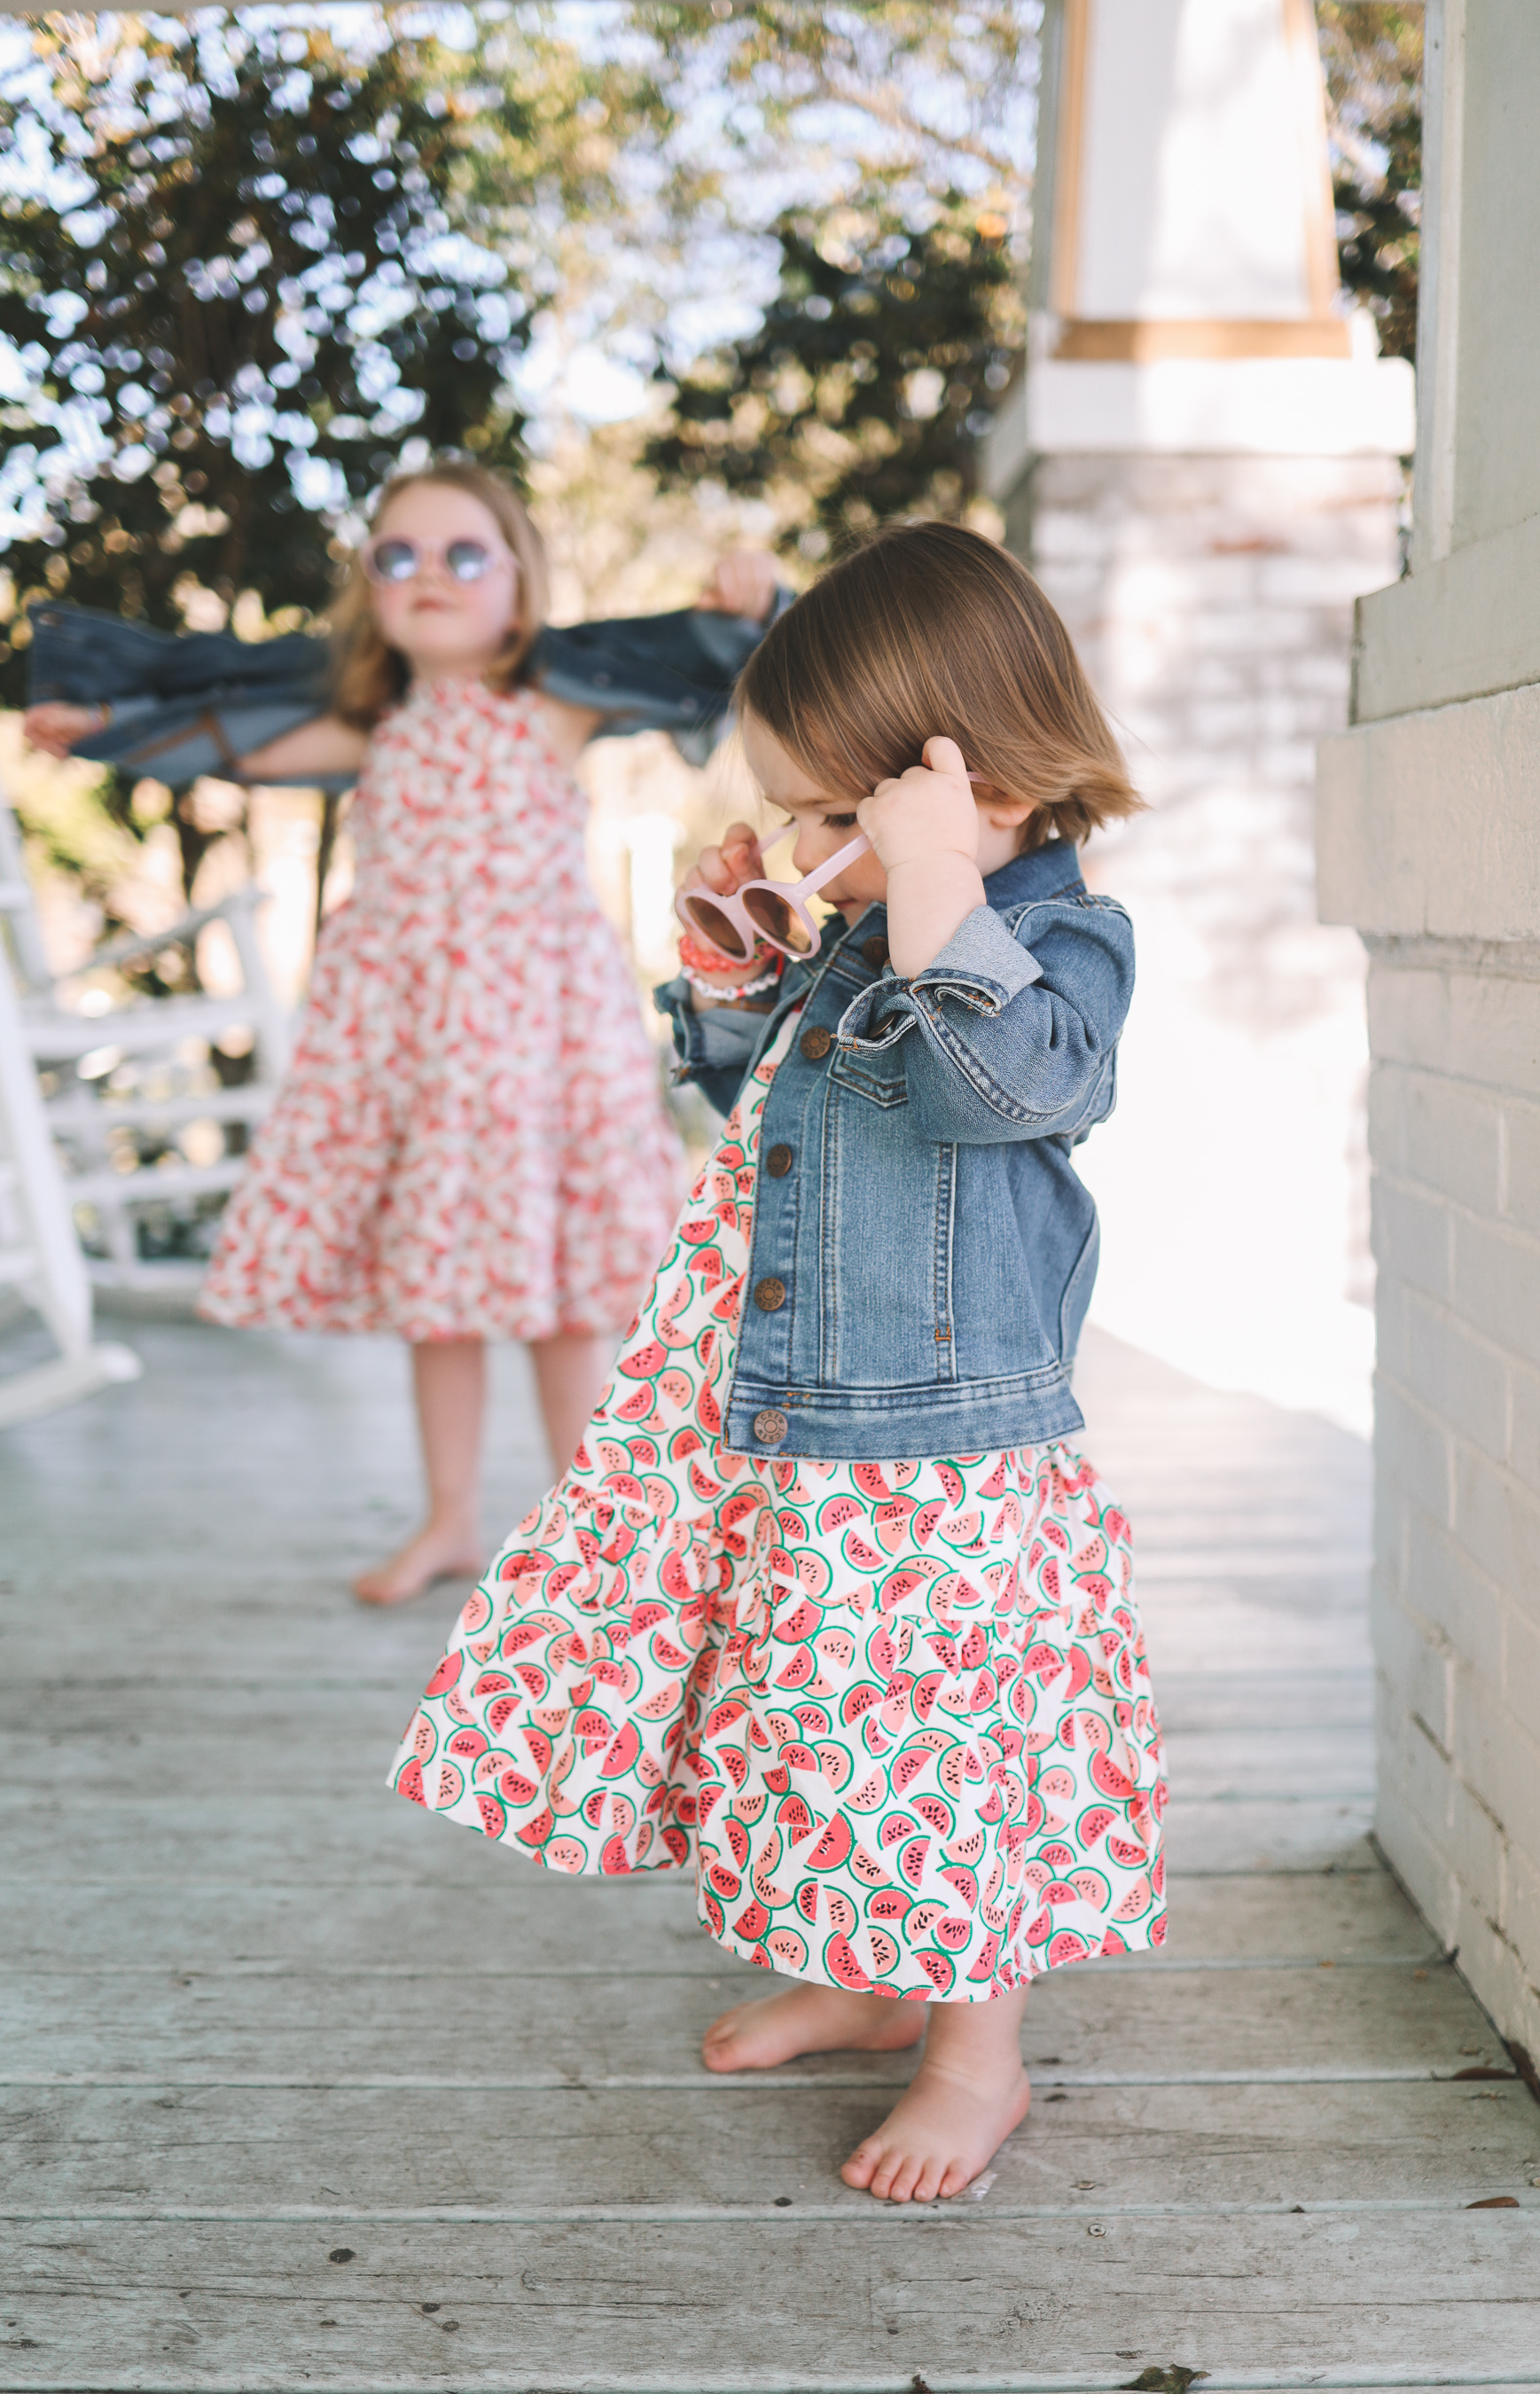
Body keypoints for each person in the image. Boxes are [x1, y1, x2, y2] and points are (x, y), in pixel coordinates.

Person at [387, 520, 1166, 2202]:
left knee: (943, 1744)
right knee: (819, 1718)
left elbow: (1012, 1087)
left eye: (835, 817)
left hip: (941, 1458)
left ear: (982, 795)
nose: (810, 845)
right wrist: (745, 977)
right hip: (785, 1419)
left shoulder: (1058, 943)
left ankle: (978, 2053)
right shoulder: (855, 937)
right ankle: (868, 1974)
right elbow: (765, 1114)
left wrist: (939, 883)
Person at [30, 460, 778, 1606]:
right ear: (369, 588)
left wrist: (744, 610)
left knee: (565, 1296)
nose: (427, 575)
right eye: (398, 556)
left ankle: (592, 1541)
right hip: (420, 1044)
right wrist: (100, 732)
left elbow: (700, 666)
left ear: (521, 592)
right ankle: (446, 1522)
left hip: (534, 1037)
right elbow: (229, 743)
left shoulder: (552, 702)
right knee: (446, 1293)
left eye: (461, 554)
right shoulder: (373, 722)